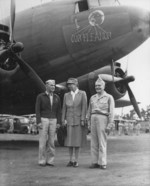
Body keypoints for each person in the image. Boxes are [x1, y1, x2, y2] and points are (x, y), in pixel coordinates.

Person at [87, 77, 115, 170]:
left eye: (99, 85)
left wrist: (110, 124)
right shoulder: (92, 97)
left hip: (103, 119)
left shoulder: (109, 97)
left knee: (102, 141)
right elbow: (89, 111)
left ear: (104, 86)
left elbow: (111, 112)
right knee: (93, 142)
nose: (97, 87)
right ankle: (94, 162)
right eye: (96, 86)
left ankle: (102, 163)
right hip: (93, 119)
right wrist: (88, 123)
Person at [62, 78, 87, 167]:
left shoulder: (82, 93)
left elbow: (84, 107)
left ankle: (76, 160)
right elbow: (64, 108)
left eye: (71, 84)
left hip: (78, 121)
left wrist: (83, 119)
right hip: (69, 121)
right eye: (68, 84)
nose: (69, 86)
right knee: (69, 142)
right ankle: (70, 160)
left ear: (76, 84)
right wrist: (63, 119)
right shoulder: (66, 95)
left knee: (77, 142)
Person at [35, 79, 61, 166]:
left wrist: (58, 122)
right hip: (44, 119)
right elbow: (37, 110)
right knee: (42, 141)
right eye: (51, 85)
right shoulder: (40, 96)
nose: (53, 87)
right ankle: (41, 161)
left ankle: (50, 161)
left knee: (51, 142)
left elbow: (59, 111)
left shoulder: (57, 97)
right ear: (46, 86)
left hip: (53, 120)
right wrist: (38, 121)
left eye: (54, 85)